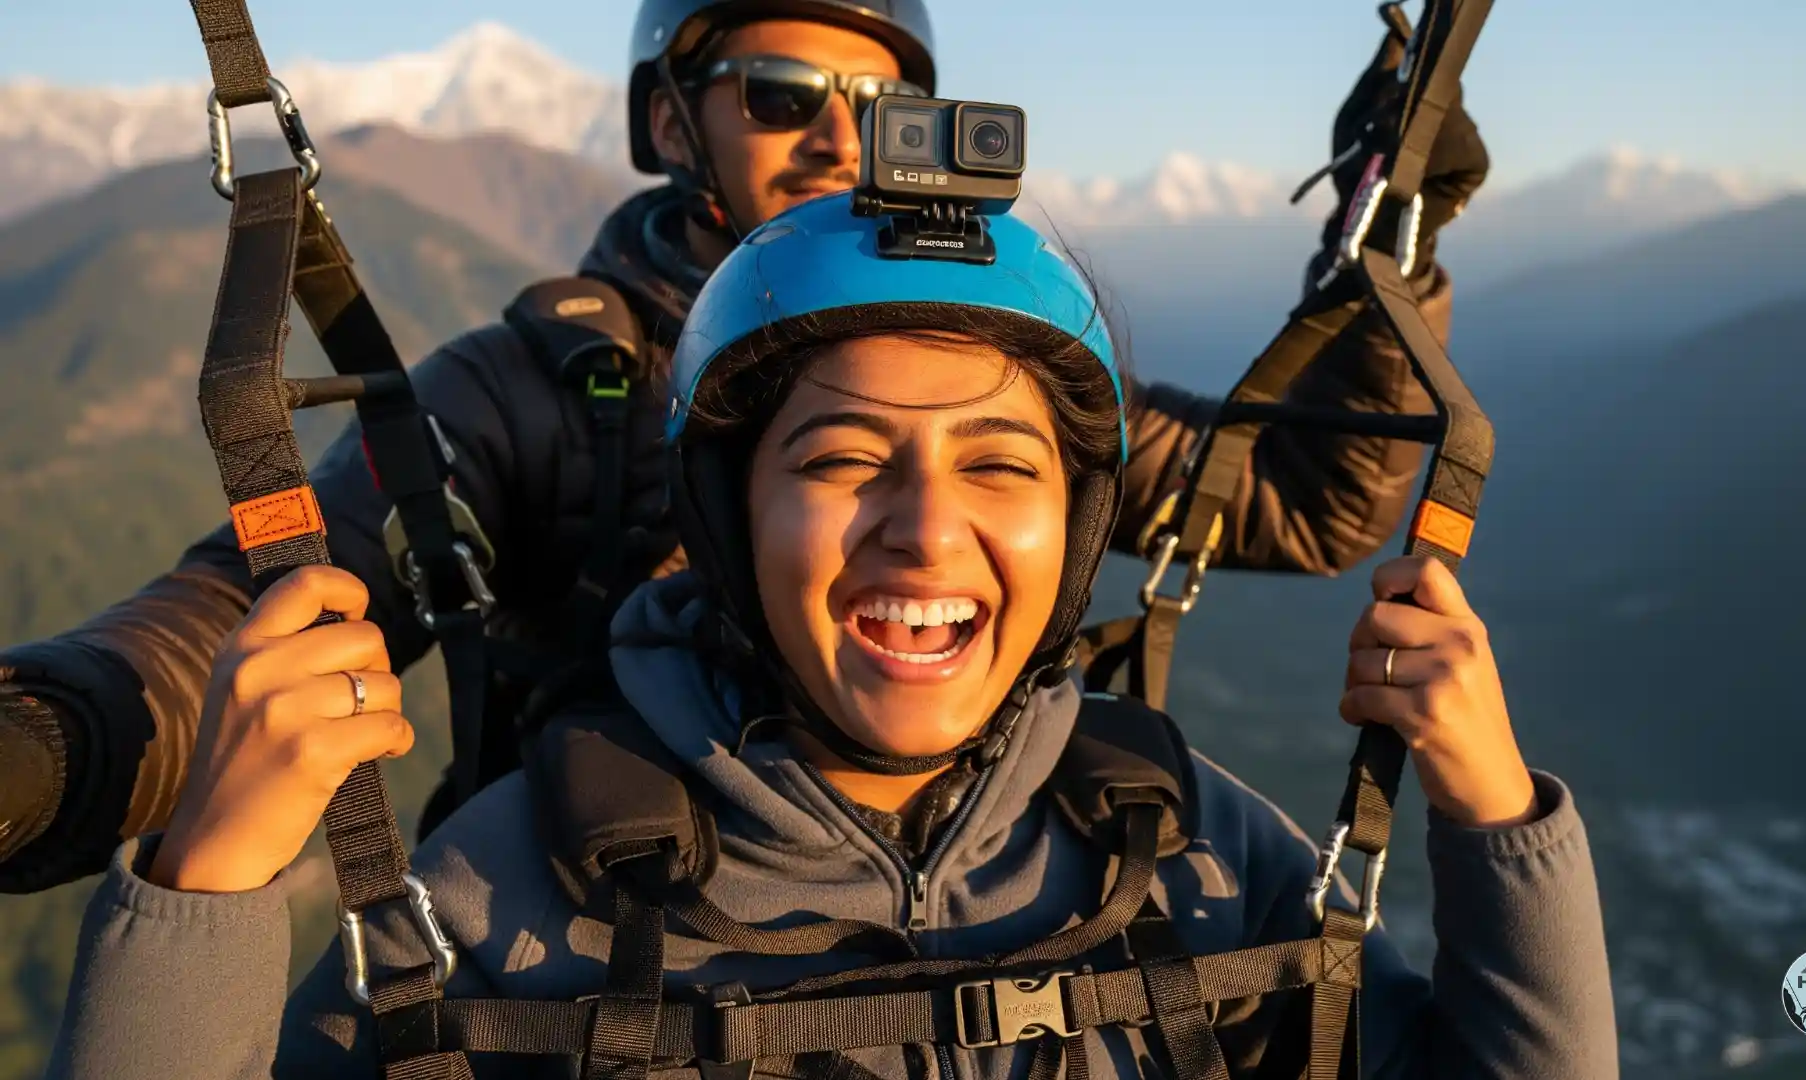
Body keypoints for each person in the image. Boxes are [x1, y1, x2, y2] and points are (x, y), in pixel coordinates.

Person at [45, 187, 1613, 1080]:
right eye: (844, 459)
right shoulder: (509, 898)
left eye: (1001, 467)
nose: (925, 531)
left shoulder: (1193, 852)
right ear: (727, 517)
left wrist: (1498, 816)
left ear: (1078, 530)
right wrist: (206, 887)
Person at [0, 0, 1489, 893]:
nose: (838, 138)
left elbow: (1294, 500)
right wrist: (54, 743)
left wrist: (1389, 248)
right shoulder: (541, 391)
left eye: (882, 106)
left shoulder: (982, 372)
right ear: (671, 124)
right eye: (782, 96)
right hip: (594, 943)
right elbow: (262, 605)